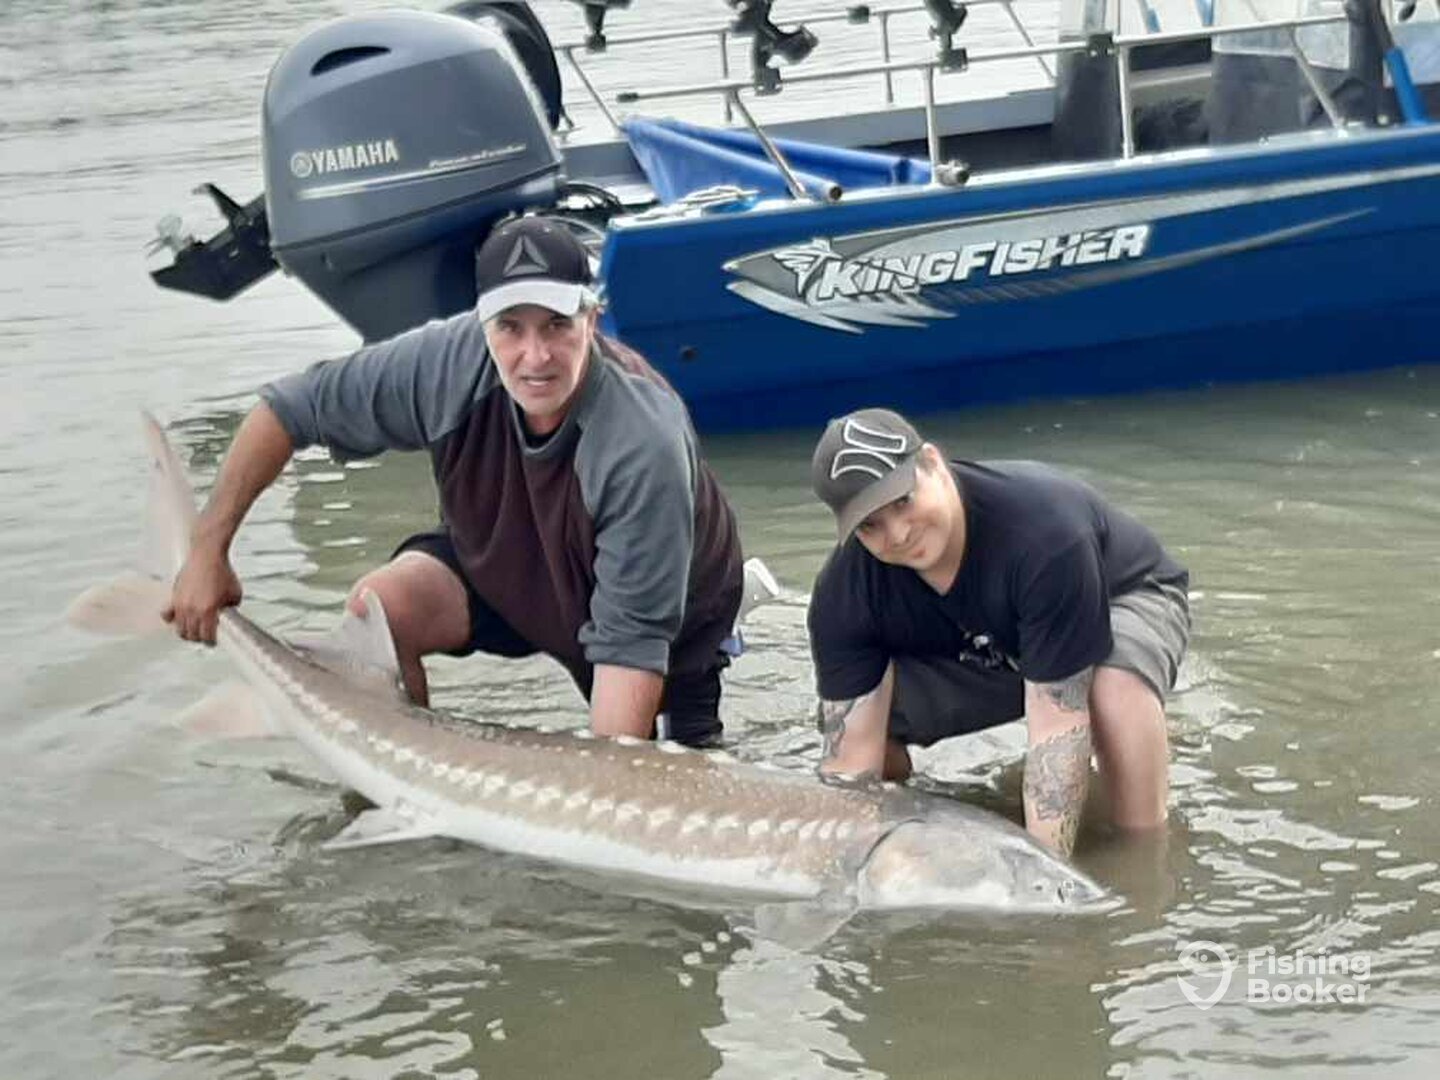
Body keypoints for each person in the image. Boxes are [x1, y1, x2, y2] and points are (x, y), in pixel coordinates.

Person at [165, 215, 744, 747]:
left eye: (557, 325)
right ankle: (398, 781)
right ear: (482, 323)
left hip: (667, 627)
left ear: (592, 318)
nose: (535, 356)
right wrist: (206, 551)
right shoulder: (446, 364)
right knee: (379, 610)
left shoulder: (641, 441)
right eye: (510, 328)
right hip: (511, 566)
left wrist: (607, 786)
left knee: (660, 788)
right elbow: (287, 410)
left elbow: (628, 657)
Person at [806, 407, 1189, 855]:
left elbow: (1058, 723)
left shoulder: (1045, 532)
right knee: (857, 721)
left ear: (933, 462)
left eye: (903, 501)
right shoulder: (843, 594)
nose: (899, 534)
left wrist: (1046, 872)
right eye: (871, 525)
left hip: (1118, 599)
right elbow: (849, 765)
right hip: (988, 647)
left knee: (1110, 689)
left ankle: (1145, 847)